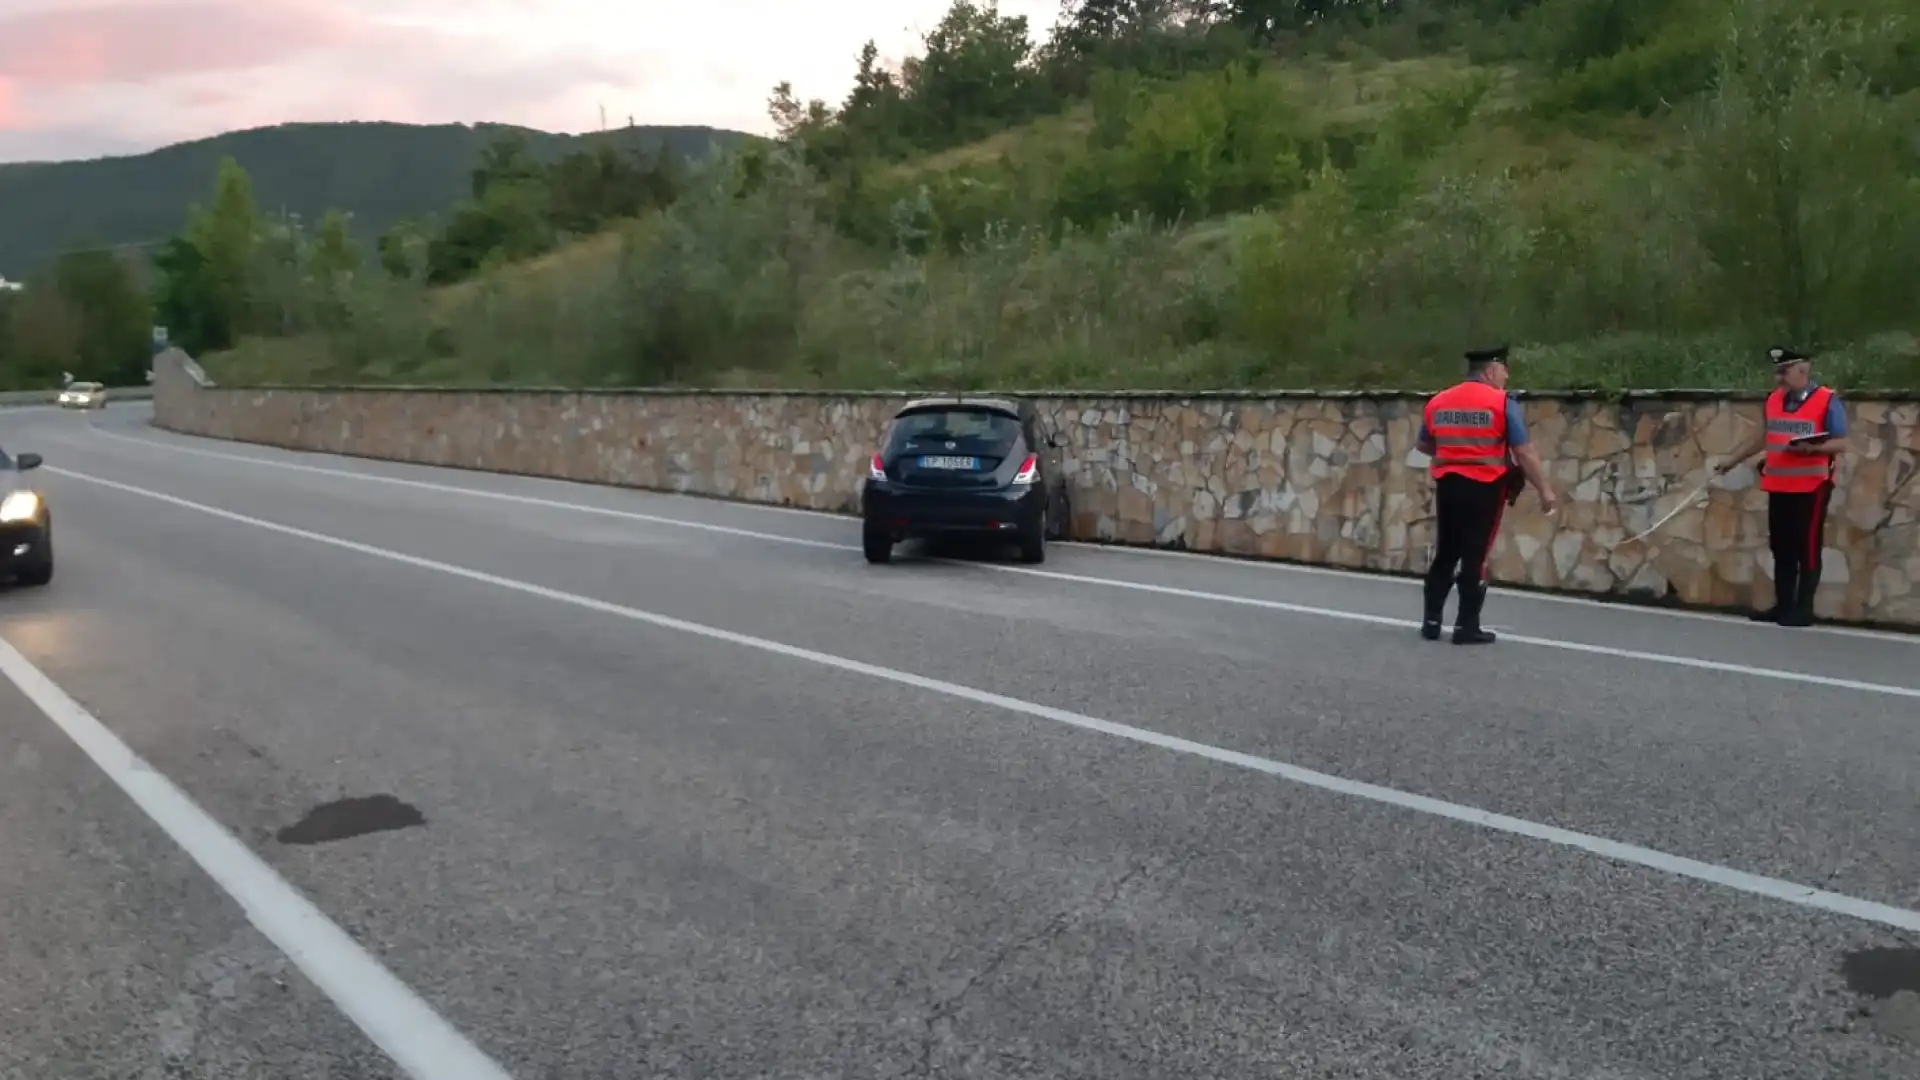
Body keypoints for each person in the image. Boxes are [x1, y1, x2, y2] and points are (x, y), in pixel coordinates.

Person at [1417, 345, 1557, 645]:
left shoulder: (1439, 401)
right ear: (1491, 370)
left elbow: (1424, 445)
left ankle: (1431, 622)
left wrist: (1454, 453)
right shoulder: (1502, 402)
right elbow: (1523, 451)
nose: (1506, 377)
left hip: (1449, 485)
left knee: (1446, 552)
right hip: (1485, 487)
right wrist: (1545, 491)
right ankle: (1466, 627)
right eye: (1504, 371)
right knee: (1475, 555)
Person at [1714, 346, 1849, 627]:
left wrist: (1811, 449)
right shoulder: (1774, 400)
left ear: (1802, 371)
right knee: (1782, 547)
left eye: (1783, 372)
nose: (1778, 379)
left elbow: (1841, 442)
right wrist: (1732, 460)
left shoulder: (1827, 400)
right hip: (1779, 484)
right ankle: (1783, 605)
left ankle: (1804, 609)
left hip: (1812, 485)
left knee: (1807, 547)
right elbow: (1765, 435)